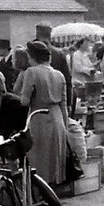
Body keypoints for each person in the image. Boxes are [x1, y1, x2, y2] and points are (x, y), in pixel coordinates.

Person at [19, 40, 69, 185]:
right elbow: (64, 104)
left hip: (39, 116)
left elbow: (25, 101)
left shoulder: (31, 72)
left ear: (33, 57)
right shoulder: (59, 74)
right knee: (55, 159)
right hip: (57, 116)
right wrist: (65, 127)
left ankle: (40, 193)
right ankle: (54, 193)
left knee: (39, 159)